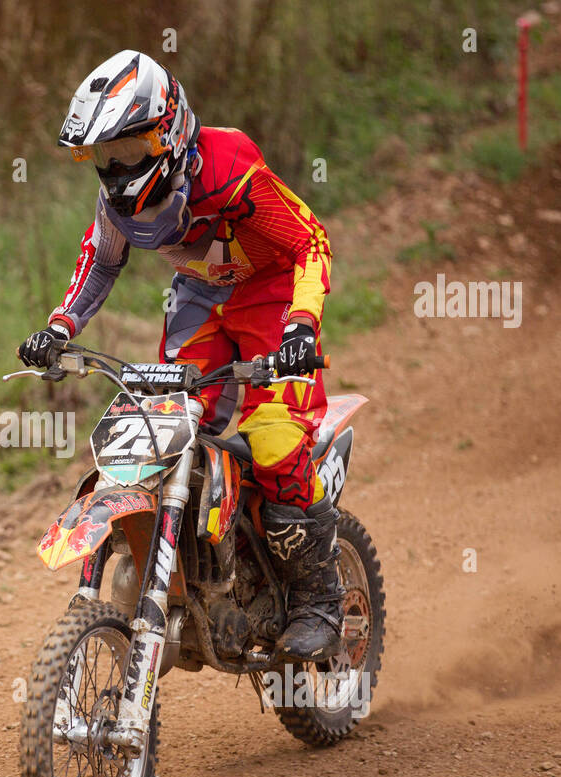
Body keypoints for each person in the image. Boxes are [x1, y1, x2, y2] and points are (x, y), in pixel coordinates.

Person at [18, 50, 343, 663]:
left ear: (166, 129)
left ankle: (317, 597)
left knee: (274, 437)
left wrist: (302, 325)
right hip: (197, 299)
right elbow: (100, 262)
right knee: (159, 431)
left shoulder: (230, 169)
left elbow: (310, 240)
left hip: (270, 294)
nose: (116, 169)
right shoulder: (118, 204)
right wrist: (60, 328)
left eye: (127, 151)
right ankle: (184, 578)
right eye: (103, 157)